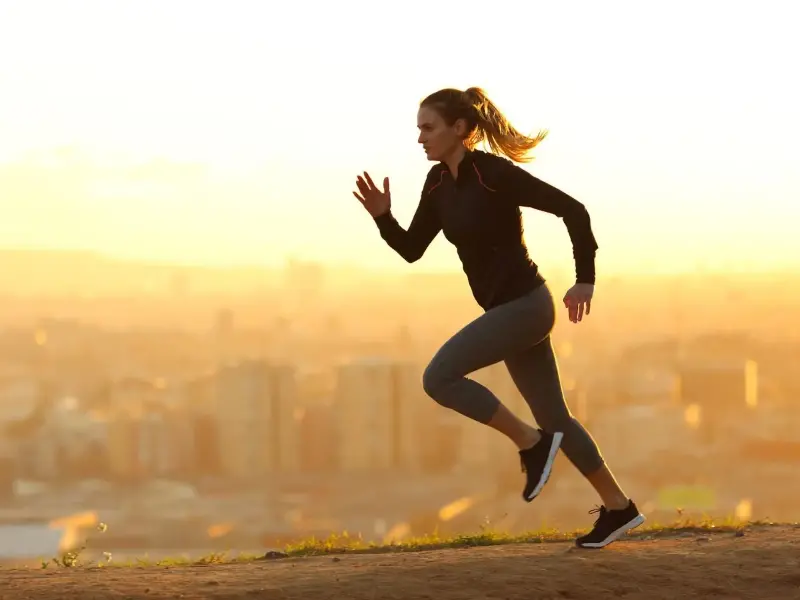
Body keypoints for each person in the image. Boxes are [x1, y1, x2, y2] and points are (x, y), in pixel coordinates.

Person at [352, 87, 645, 549]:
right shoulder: (436, 184)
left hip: (526, 307)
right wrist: (384, 218)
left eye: (428, 127)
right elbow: (411, 250)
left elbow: (574, 210)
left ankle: (531, 444)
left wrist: (584, 279)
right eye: (419, 129)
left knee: (439, 377)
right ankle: (618, 508)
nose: (420, 138)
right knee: (557, 417)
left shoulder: (493, 174)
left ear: (460, 129)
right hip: (506, 312)